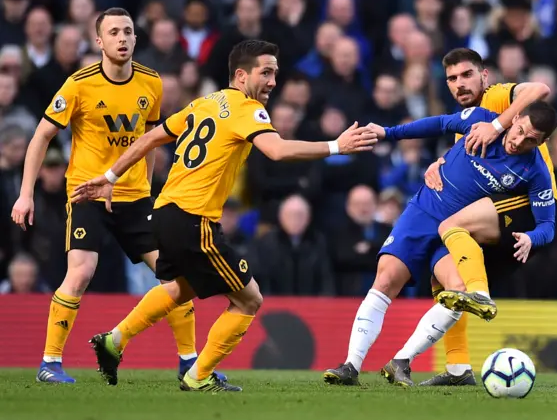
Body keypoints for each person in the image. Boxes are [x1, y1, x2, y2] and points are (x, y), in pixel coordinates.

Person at [70, 39, 377, 392]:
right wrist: (336, 146)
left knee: (178, 287)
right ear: (242, 75)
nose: (273, 81)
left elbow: (149, 138)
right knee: (249, 299)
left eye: (276, 73)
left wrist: (110, 177)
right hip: (193, 219)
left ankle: (114, 340)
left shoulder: (203, 103)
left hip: (166, 212)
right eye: (266, 72)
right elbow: (275, 151)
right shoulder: (248, 109)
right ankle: (198, 375)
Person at [10, 7, 213, 384]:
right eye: (114, 32)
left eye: (128, 31)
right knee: (82, 271)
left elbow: (151, 140)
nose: (122, 38)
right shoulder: (79, 83)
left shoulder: (152, 83)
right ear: (99, 41)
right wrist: (26, 195)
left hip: (134, 197)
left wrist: (151, 190)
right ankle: (49, 363)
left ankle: (189, 362)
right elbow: (41, 136)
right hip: (88, 192)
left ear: (136, 38)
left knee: (177, 277)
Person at [323, 101, 557, 386]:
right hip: (425, 210)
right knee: (386, 278)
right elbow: (440, 123)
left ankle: (402, 361)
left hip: (457, 235)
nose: (519, 141)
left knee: (458, 292)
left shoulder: (535, 172)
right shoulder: (483, 121)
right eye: (520, 130)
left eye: (531, 140)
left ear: (543, 142)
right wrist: (389, 132)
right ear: (516, 117)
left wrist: (532, 238)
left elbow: (547, 225)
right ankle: (351, 366)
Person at [419, 48, 557, 386]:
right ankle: (458, 369)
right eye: (452, 78)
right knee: (447, 277)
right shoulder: (464, 123)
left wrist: (498, 123)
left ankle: (480, 295)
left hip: (530, 206)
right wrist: (438, 162)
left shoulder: (497, 98)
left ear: (484, 76)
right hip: (499, 214)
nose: (460, 84)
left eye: (467, 75)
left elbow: (540, 89)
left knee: (450, 227)